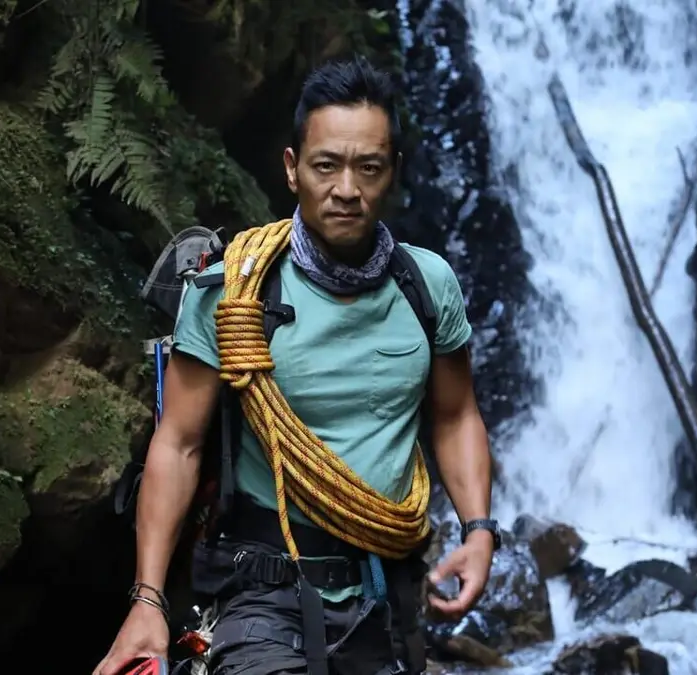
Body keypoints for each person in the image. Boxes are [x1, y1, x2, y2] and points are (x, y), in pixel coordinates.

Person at [93, 57, 497, 675]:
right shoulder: (231, 292)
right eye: (326, 165)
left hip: (387, 593)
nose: (346, 189)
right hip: (263, 591)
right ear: (292, 169)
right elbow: (178, 444)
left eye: (368, 167)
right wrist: (147, 601)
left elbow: (455, 415)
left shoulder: (427, 285)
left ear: (392, 171)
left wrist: (479, 531)